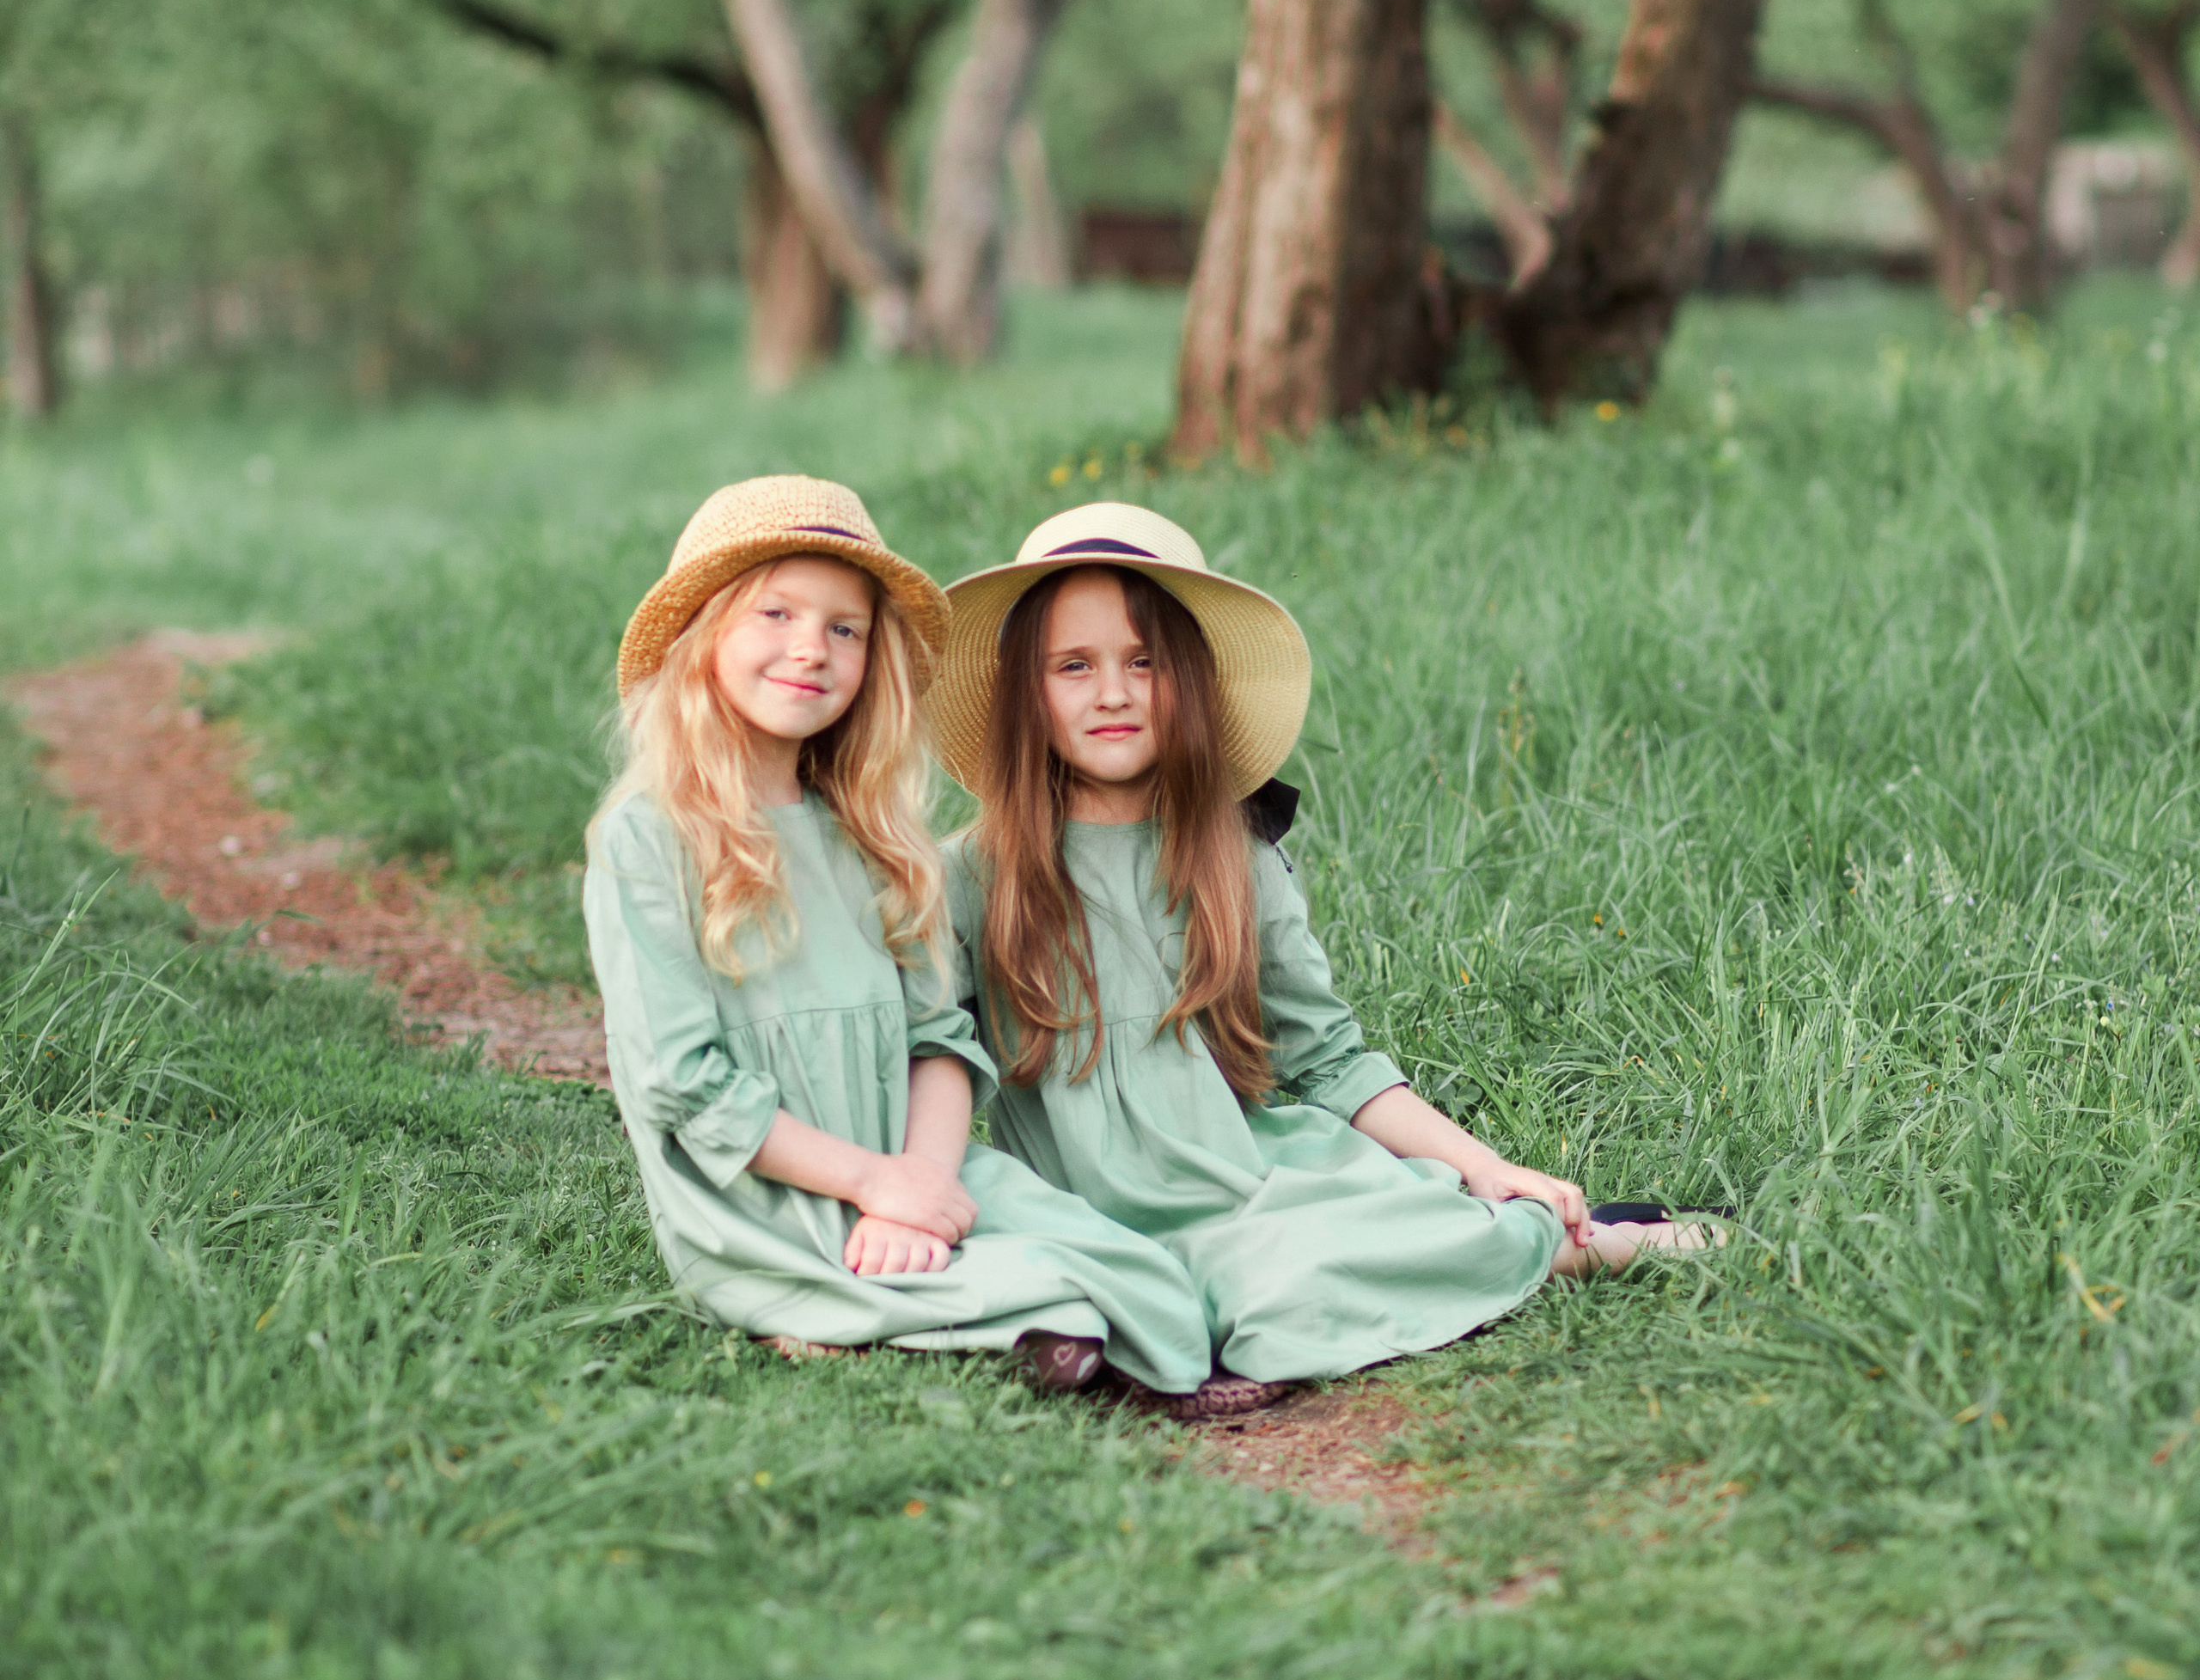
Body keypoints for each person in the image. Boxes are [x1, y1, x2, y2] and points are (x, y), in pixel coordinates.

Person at [931, 503, 1713, 1409]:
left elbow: (1330, 1059)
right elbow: (927, 1053)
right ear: (1025, 695)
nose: (1113, 693)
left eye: (1144, 662)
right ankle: (1125, 1312)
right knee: (1048, 1257)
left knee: (1301, 1269)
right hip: (1079, 1210)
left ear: (1191, 683)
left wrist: (1485, 1165)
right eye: (1074, 665)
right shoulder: (969, 876)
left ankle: (1584, 1240)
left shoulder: (1232, 858)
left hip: (1246, 1197)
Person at [584, 474, 1213, 1400]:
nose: (813, 648)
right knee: (1069, 1304)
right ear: (705, 633)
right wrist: (872, 1186)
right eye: (777, 613)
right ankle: (873, 1313)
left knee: (1139, 1272)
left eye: (846, 628)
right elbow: (681, 1083)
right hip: (765, 1196)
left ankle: (965, 1310)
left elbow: (940, 1039)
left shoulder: (872, 835)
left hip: (911, 1162)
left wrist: (918, 1180)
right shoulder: (650, 837)